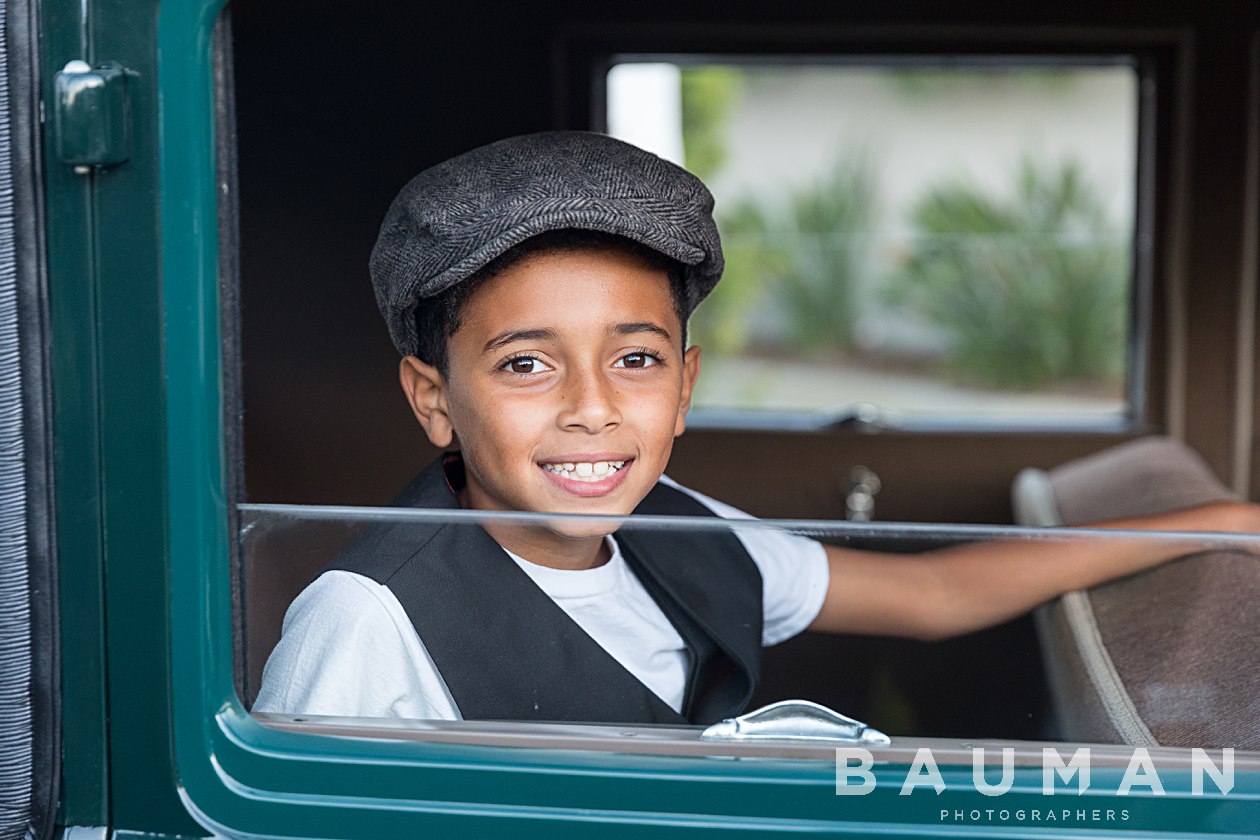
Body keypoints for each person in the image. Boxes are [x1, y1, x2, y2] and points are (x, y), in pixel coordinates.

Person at [253, 131, 1260, 724]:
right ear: (433, 397)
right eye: (526, 363)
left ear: (684, 387)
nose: (593, 405)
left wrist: (1215, 520)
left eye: (635, 357)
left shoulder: (682, 529)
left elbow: (932, 592)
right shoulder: (365, 623)